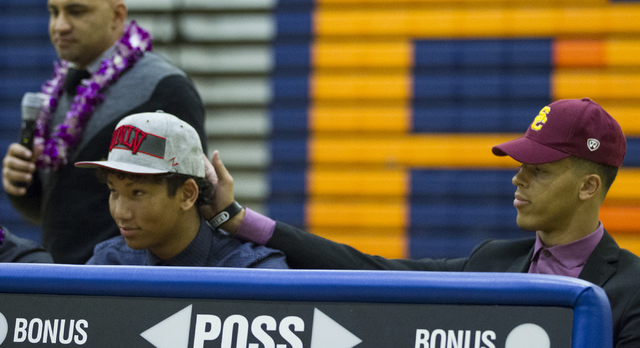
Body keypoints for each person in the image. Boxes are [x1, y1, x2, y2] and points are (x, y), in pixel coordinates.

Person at [201, 98, 640, 348]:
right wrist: (236, 218)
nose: (517, 177)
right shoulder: (492, 261)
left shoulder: (632, 288)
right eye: (521, 164)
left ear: (588, 187)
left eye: (539, 170)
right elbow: (374, 272)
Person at [1, 0, 206, 264]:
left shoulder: (163, 89)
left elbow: (187, 207)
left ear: (117, 16)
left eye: (76, 11)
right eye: (54, 12)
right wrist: (23, 186)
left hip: (121, 280)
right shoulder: (59, 91)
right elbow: (59, 210)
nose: (60, 25)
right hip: (65, 275)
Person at [77, 111, 287, 268]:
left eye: (137, 193)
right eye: (114, 192)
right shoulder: (109, 262)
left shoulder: (252, 272)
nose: (121, 212)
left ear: (187, 194)